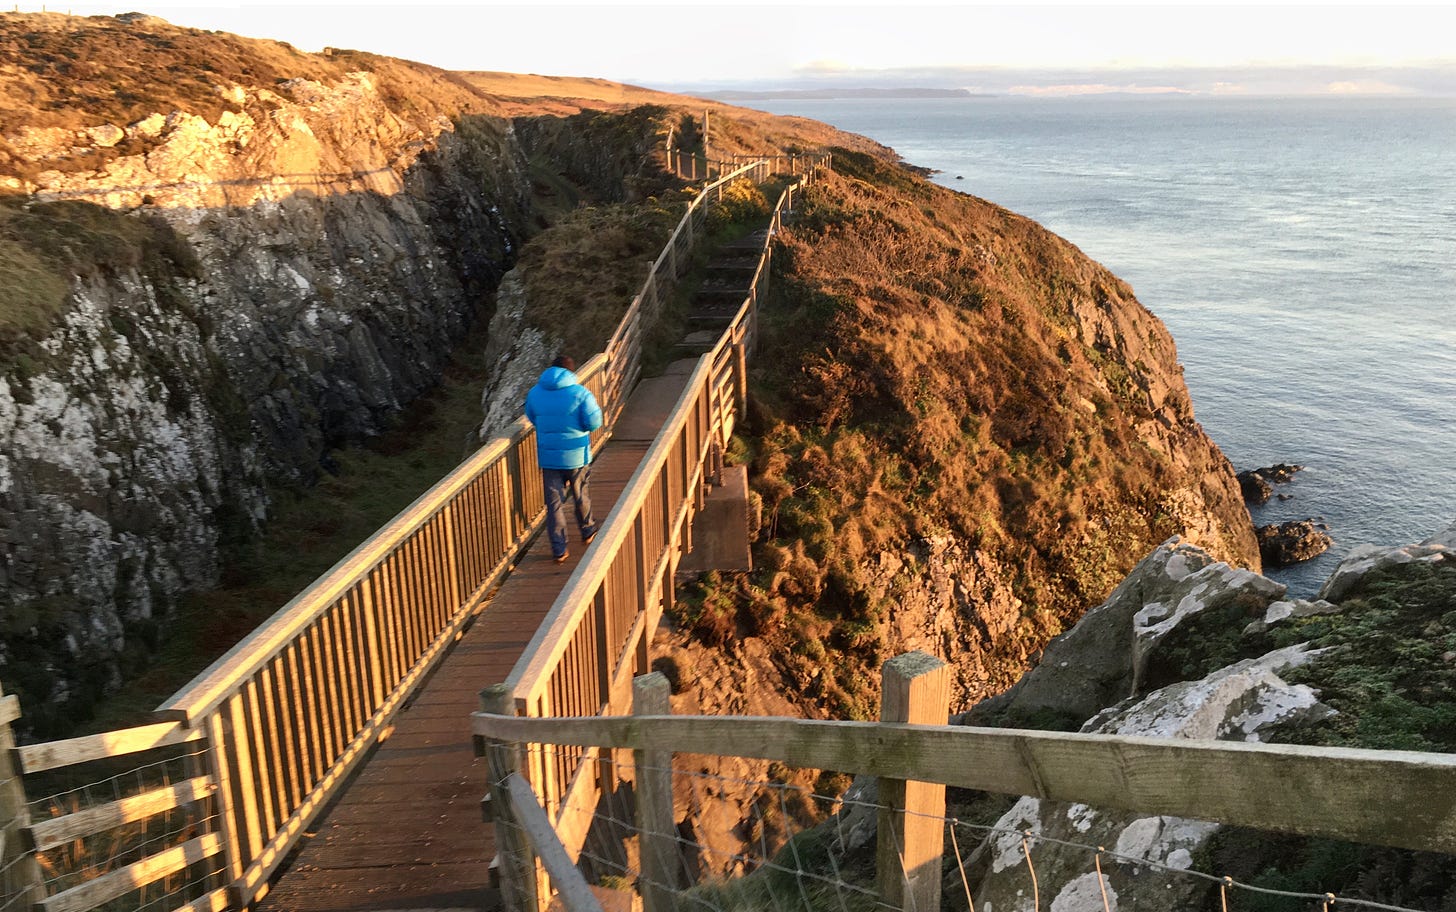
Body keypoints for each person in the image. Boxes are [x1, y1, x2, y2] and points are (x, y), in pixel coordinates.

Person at [523, 355, 603, 563]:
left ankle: (559, 549)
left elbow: (532, 417)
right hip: (576, 455)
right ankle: (587, 530)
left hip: (548, 456)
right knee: (580, 495)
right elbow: (594, 422)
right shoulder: (580, 393)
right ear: (571, 372)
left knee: (554, 504)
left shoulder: (535, 393)